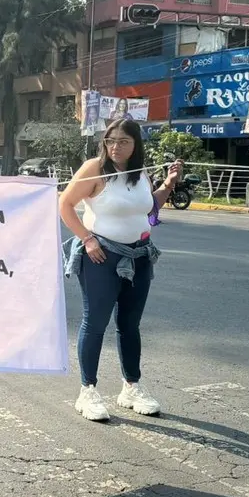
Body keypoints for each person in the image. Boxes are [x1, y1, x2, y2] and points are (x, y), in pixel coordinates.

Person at [59, 118, 182, 422]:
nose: (116, 147)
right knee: (95, 323)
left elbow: (149, 208)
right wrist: (86, 239)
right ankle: (87, 391)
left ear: (136, 144)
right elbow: (65, 204)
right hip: (102, 255)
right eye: (110, 140)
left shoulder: (139, 173)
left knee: (130, 325)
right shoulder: (94, 168)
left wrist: (168, 184)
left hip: (139, 256)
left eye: (123, 141)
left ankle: (131, 387)